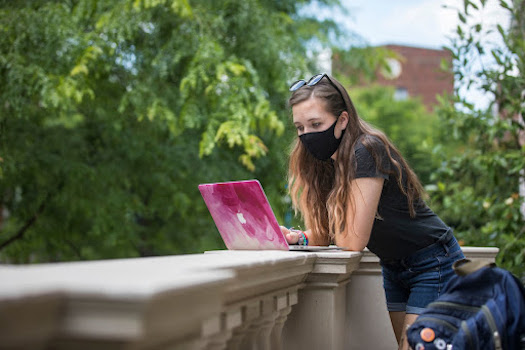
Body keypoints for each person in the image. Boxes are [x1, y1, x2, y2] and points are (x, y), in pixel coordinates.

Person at [279, 73, 465, 350]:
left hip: (433, 261)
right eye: (300, 128)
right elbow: (324, 234)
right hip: (394, 267)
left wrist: (331, 220)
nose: (307, 136)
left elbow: (352, 242)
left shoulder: (366, 150)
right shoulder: (322, 163)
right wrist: (298, 238)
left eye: (316, 124)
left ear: (342, 120)